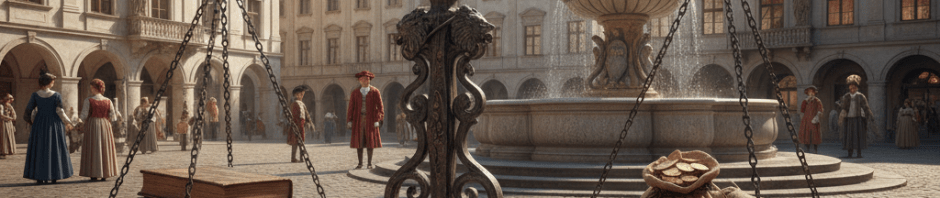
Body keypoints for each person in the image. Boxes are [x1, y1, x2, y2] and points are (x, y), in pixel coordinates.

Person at [23, 70, 77, 184]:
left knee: (40, 148)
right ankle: (54, 175)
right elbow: (60, 111)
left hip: (39, 124)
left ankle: (39, 176)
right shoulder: (56, 95)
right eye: (52, 81)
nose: (53, 83)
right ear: (49, 82)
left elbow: (28, 111)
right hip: (54, 124)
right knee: (54, 147)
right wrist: (68, 122)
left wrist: (32, 122)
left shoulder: (35, 95)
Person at [78, 79, 119, 181]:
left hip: (93, 124)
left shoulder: (89, 100)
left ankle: (94, 173)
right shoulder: (108, 101)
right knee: (104, 147)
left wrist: (76, 124)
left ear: (93, 88)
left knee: (94, 147)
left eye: (91, 87)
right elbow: (113, 117)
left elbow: (83, 116)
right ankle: (105, 173)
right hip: (105, 125)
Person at [347, 71, 384, 169]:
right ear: (359, 81)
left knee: (370, 142)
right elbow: (351, 107)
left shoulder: (375, 91)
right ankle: (360, 163)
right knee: (359, 141)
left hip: (371, 120)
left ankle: (369, 163)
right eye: (362, 79)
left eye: (366, 79)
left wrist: (378, 119)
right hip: (358, 120)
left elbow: (380, 107)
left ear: (370, 80)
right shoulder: (355, 92)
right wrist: (349, 120)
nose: (364, 81)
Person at [838, 75, 874, 158]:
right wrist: (842, 116)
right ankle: (849, 153)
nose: (852, 89)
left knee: (858, 135)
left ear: (857, 88)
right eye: (851, 88)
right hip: (849, 119)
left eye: (854, 87)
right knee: (849, 136)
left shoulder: (861, 96)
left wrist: (869, 115)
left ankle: (859, 153)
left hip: (858, 118)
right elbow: (844, 107)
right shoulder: (846, 96)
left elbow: (866, 107)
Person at [289, 87, 313, 162]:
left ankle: (301, 157)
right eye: (301, 94)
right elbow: (295, 115)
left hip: (301, 124)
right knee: (295, 142)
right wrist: (298, 125)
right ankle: (293, 158)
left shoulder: (301, 103)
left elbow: (306, 114)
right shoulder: (295, 103)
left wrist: (309, 122)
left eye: (303, 94)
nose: (302, 96)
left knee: (301, 141)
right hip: (296, 124)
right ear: (296, 95)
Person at [799, 86, 823, 154]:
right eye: (809, 92)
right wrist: (806, 101)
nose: (811, 93)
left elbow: (820, 110)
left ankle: (815, 149)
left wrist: (817, 117)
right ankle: (807, 148)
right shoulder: (805, 101)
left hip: (813, 120)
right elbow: (802, 110)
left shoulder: (817, 101)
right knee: (806, 134)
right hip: (806, 120)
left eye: (812, 92)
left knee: (815, 135)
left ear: (814, 93)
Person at [0, 94, 16, 159]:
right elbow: (1, 115)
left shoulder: (10, 106)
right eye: (7, 99)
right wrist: (9, 118)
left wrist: (13, 117)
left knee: (9, 135)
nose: (8, 100)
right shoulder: (1, 106)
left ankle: (10, 150)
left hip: (9, 123)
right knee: (4, 136)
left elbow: (14, 113)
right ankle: (4, 151)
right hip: (3, 123)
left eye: (9, 99)